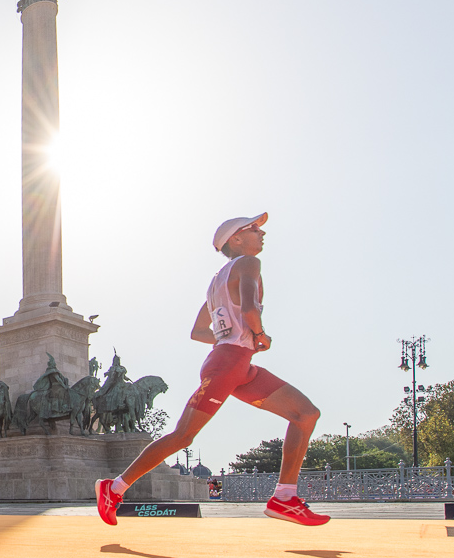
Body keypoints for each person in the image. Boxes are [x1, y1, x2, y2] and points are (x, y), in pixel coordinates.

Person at [96, 213, 329, 526]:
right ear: (235, 239)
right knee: (182, 436)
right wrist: (259, 336)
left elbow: (198, 331)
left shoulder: (215, 283)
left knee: (305, 414)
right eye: (254, 229)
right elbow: (247, 309)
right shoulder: (249, 264)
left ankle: (284, 497)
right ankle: (114, 487)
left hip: (235, 363)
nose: (262, 233)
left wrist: (233, 339)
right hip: (229, 364)